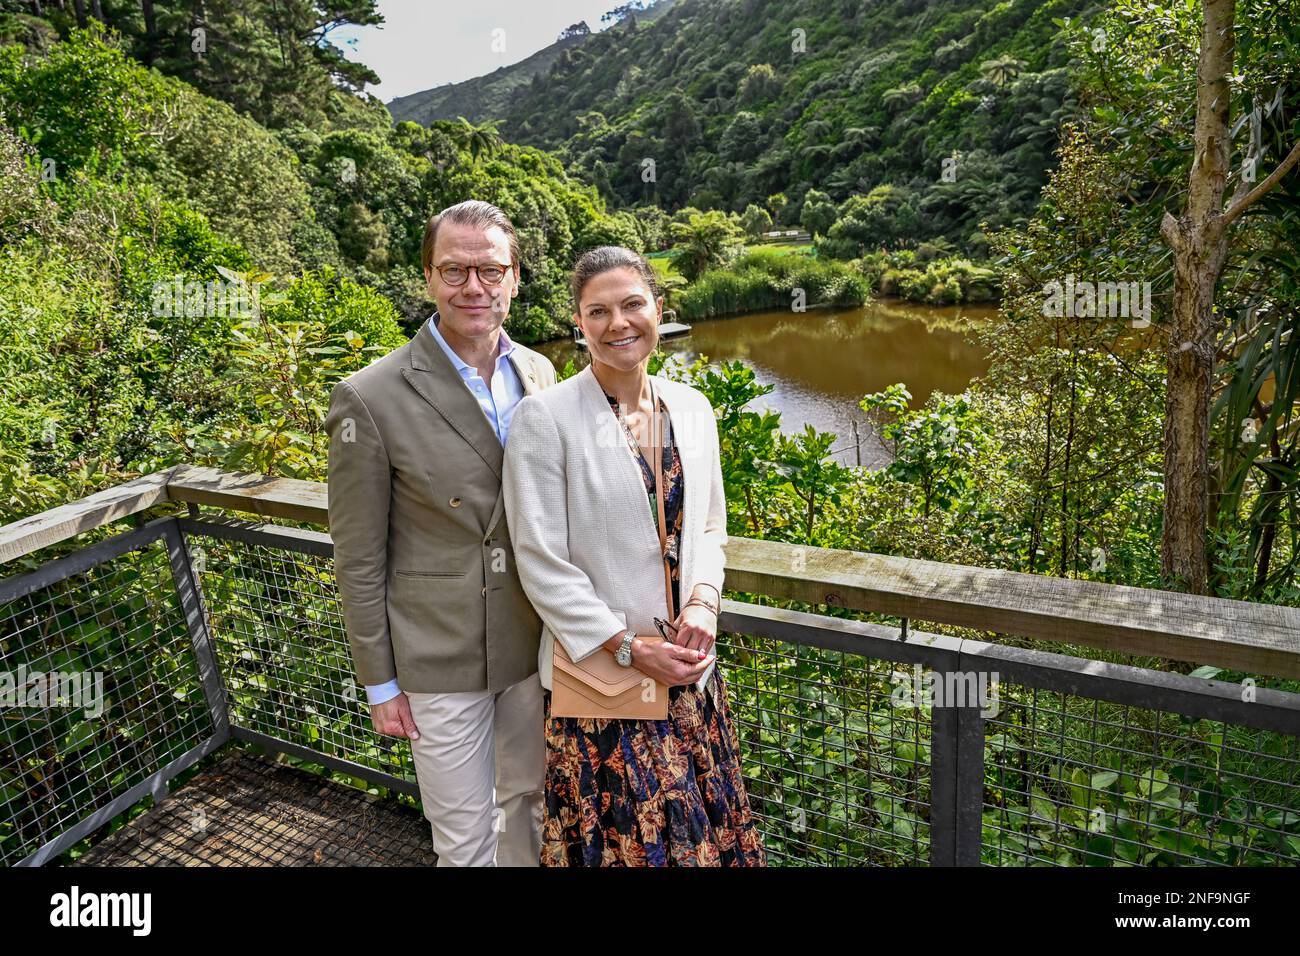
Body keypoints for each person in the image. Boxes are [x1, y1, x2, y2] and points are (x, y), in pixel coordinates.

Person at [502, 245, 767, 866]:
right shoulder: (544, 418)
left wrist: (705, 600)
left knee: (703, 841)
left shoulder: (693, 408)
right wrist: (627, 647)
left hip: (688, 673)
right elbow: (539, 559)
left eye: (632, 305)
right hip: (604, 686)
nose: (618, 323)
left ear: (658, 309)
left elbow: (708, 521)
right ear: (579, 323)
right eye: (598, 311)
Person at [325, 200, 557, 866]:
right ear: (427, 277)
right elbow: (359, 557)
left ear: (515, 279)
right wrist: (379, 683)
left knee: (530, 808)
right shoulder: (370, 396)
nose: (474, 288)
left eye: (490, 269)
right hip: (437, 659)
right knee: (464, 838)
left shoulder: (538, 372)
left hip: (532, 644)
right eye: (455, 270)